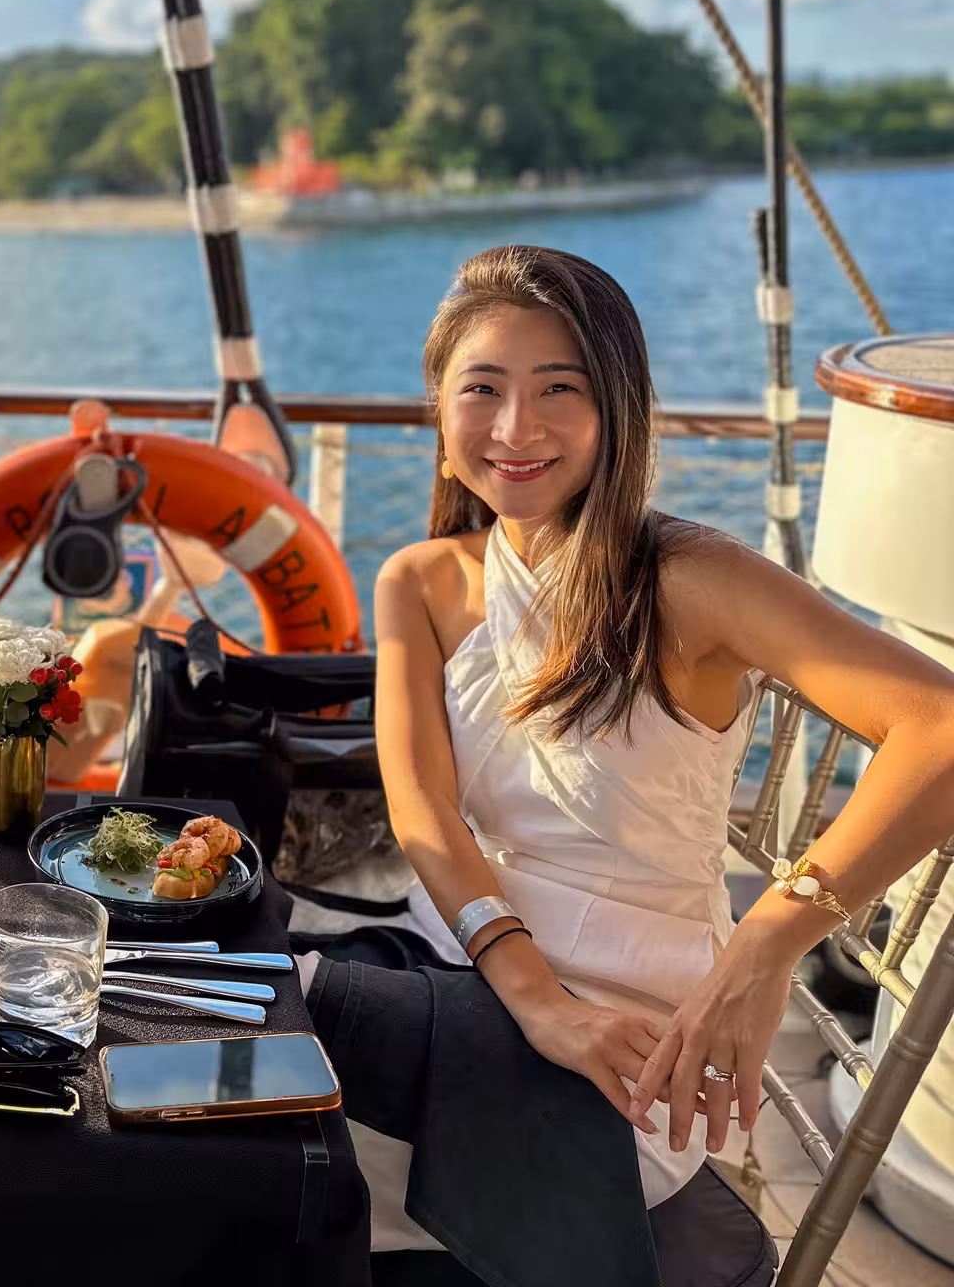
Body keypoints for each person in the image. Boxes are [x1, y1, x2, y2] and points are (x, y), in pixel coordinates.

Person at [329, 244, 954, 1262]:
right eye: (481, 389)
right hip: (458, 956)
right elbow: (425, 817)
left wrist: (770, 942)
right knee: (246, 1081)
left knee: (287, 1146)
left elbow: (942, 725)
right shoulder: (421, 581)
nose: (516, 428)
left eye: (559, 390)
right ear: (440, 421)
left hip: (640, 1032)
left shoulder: (685, 580)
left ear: (617, 412)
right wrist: (534, 1001)